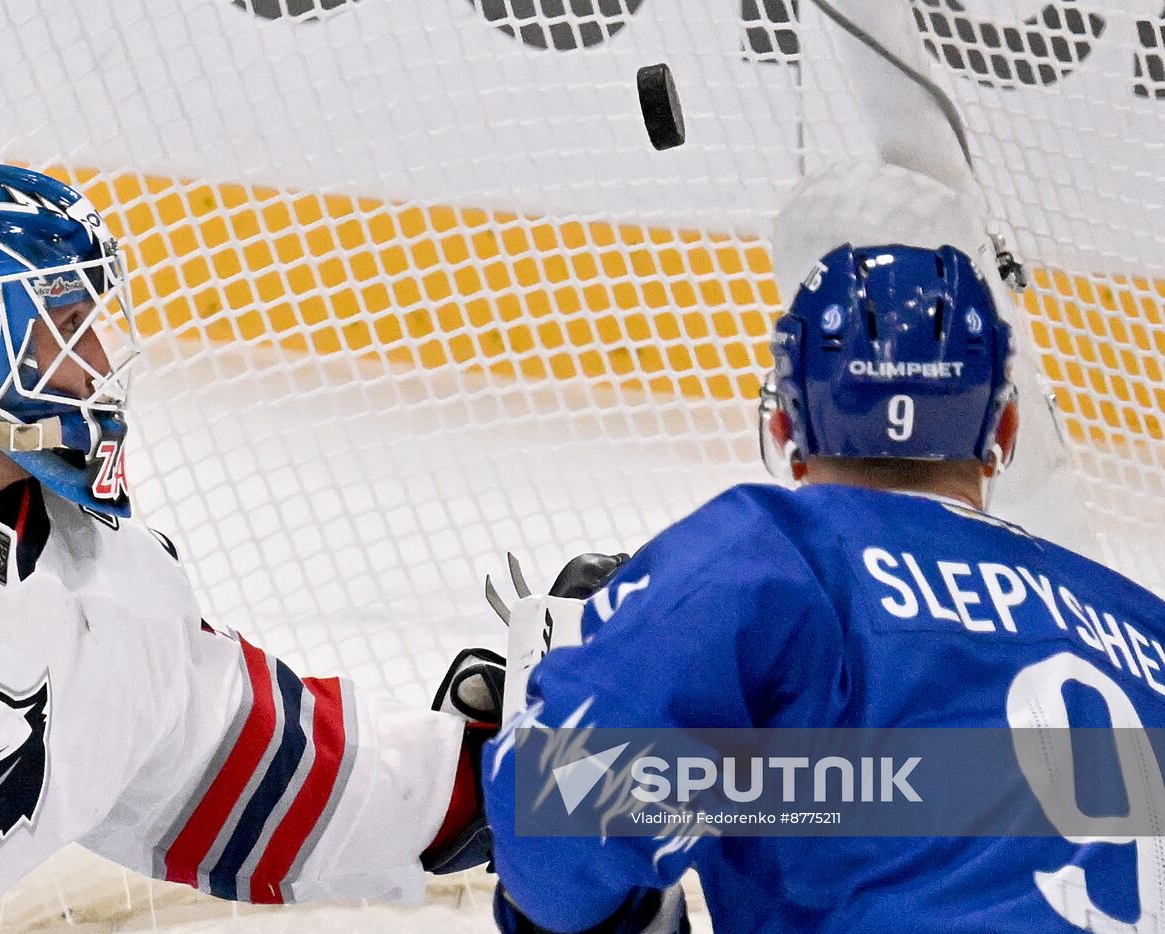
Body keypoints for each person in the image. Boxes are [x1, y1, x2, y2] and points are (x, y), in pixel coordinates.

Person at [0, 150, 498, 933]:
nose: (101, 363)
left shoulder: (113, 605)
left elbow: (333, 789)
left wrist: (598, 766)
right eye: (68, 325)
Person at [481, 233, 1165, 932]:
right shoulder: (1145, 625)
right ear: (1007, 422)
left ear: (785, 420)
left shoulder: (771, 557)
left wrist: (526, 739)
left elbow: (558, 844)